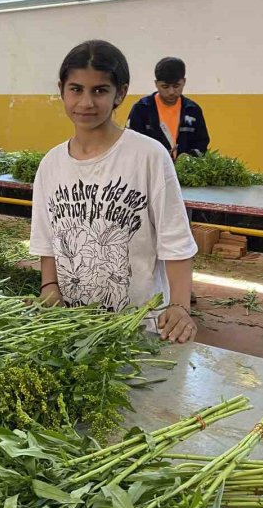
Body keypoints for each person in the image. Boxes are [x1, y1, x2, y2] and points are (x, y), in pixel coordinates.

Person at [28, 40, 198, 343]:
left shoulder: (148, 156)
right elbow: (46, 241)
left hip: (141, 326)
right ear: (62, 90)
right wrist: (49, 288)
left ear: (120, 92)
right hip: (72, 325)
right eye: (76, 89)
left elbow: (176, 242)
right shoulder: (51, 164)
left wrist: (180, 306)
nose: (86, 103)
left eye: (100, 90)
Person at [126, 57, 210, 160]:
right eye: (165, 87)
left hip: (185, 172)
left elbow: (202, 143)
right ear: (156, 84)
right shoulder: (141, 109)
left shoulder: (193, 110)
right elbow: (131, 143)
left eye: (176, 86)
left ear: (184, 82)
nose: (171, 92)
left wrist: (189, 159)